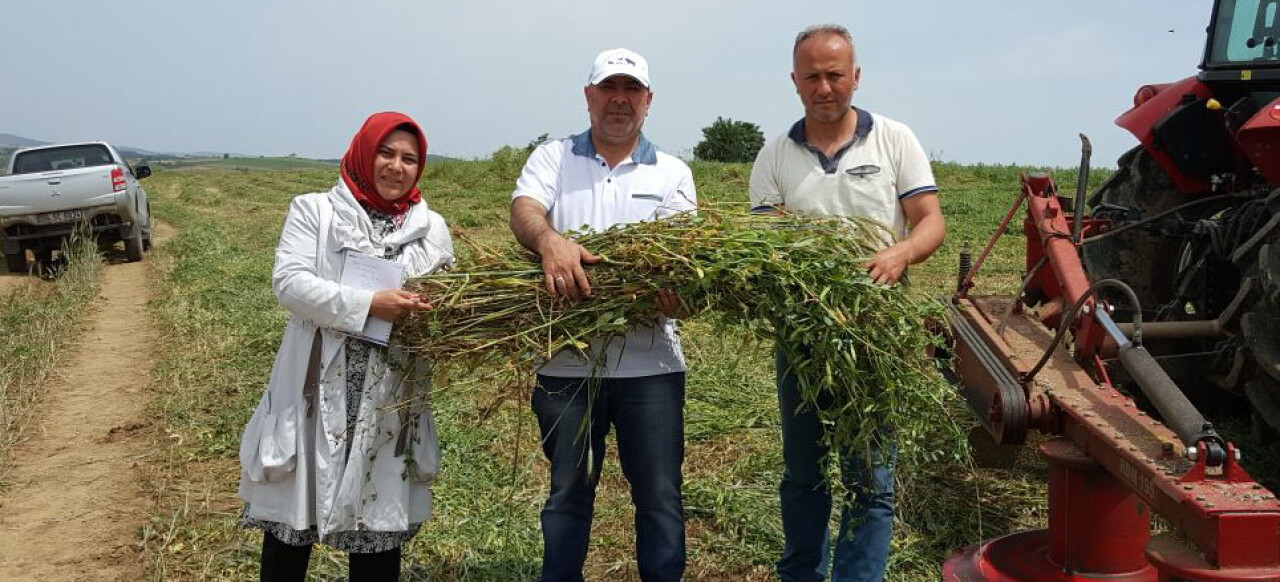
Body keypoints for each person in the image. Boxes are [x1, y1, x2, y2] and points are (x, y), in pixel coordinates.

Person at [748, 25, 946, 582]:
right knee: (803, 471)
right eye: (812, 76)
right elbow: (766, 242)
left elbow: (931, 221)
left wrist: (901, 253)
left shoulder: (894, 139)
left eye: (835, 74)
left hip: (874, 335)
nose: (825, 86)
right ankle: (801, 574)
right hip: (804, 334)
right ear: (795, 81)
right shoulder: (775, 155)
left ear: (856, 76)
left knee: (870, 477)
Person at [237, 111, 454, 582]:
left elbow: (443, 301)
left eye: (409, 159)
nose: (397, 167)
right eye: (386, 153)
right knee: (290, 531)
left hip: (389, 391)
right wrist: (369, 304)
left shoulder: (431, 227)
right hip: (314, 382)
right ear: (363, 151)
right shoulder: (314, 211)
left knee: (377, 527)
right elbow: (290, 284)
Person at [508, 48, 696, 582]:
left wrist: (675, 293)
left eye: (631, 90)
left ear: (648, 101)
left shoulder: (673, 172)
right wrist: (549, 241)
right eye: (608, 88)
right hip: (565, 364)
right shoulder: (553, 157)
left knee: (660, 494)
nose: (620, 100)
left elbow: (681, 256)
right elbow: (525, 209)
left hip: (651, 367)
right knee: (568, 490)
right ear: (589, 97)